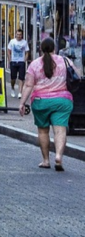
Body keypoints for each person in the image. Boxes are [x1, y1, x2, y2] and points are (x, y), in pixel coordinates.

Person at [19, 37, 74, 171]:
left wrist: (22, 103)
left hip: (40, 102)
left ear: (41, 49)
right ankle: (59, 156)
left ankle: (45, 160)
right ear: (55, 48)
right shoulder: (65, 61)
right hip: (62, 101)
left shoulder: (35, 64)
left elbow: (28, 85)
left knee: (43, 131)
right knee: (60, 130)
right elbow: (76, 75)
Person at [7, 28, 30, 98]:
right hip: (13, 61)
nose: (19, 36)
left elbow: (27, 52)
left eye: (20, 35)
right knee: (13, 78)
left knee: (21, 78)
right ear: (15, 35)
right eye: (17, 34)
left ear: (22, 35)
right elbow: (8, 50)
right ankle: (12, 88)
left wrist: (24, 60)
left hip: (21, 62)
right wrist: (10, 59)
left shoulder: (24, 42)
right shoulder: (12, 42)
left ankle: (20, 92)